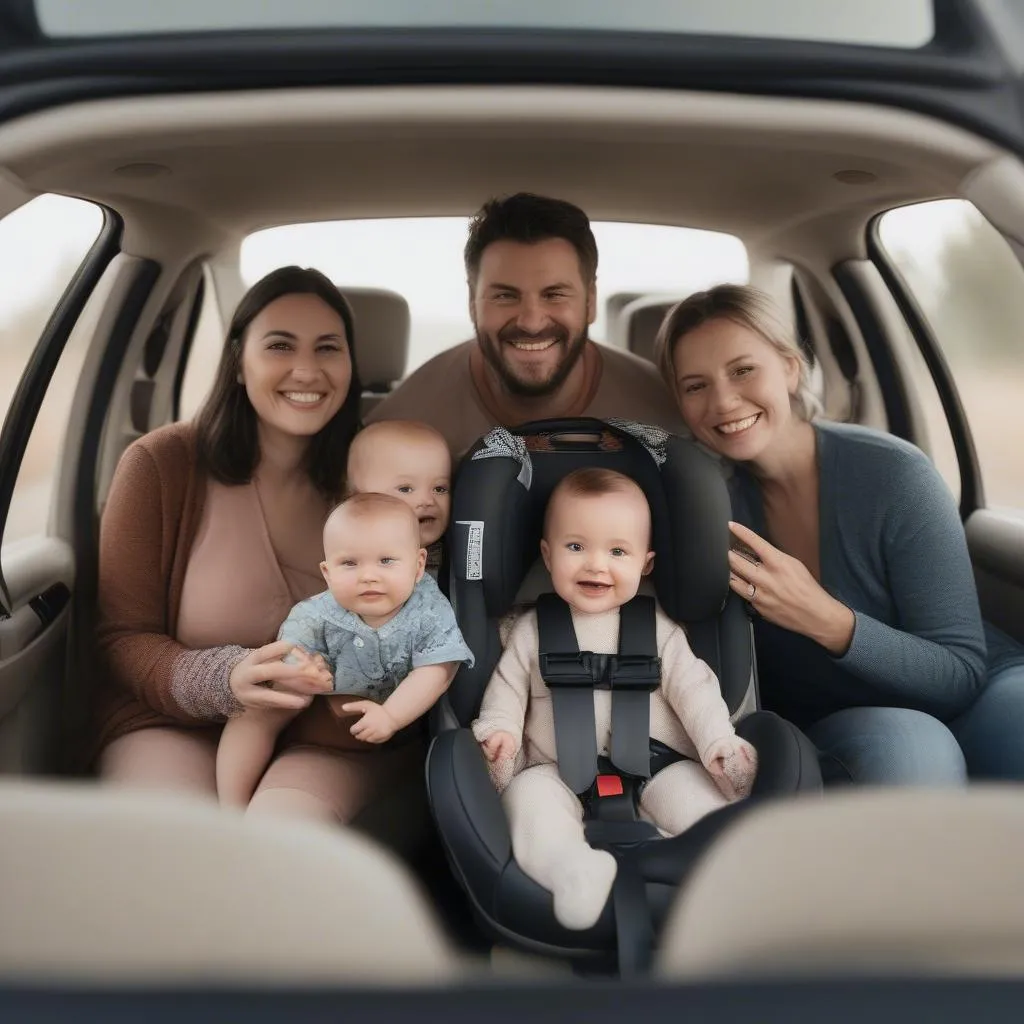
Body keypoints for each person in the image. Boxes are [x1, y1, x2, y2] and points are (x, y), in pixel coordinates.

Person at [92, 266, 430, 836]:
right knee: (174, 843)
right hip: (178, 723)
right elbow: (121, 638)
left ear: (350, 364)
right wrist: (223, 680)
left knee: (279, 847)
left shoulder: (382, 475)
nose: (307, 370)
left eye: (328, 348)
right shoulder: (161, 465)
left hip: (334, 739)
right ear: (237, 360)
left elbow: (429, 604)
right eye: (279, 345)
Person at [654, 283, 1024, 784]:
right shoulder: (700, 508)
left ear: (790, 367)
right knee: (912, 751)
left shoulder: (893, 474)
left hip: (976, 692)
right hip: (850, 723)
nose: (723, 401)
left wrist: (826, 618)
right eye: (695, 385)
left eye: (743, 370)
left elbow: (959, 674)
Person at [472, 468, 756, 930]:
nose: (596, 565)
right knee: (530, 806)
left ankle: (704, 866)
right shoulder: (529, 631)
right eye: (576, 547)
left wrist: (719, 745)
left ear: (645, 564)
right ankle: (573, 871)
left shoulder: (660, 631)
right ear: (547, 555)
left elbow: (695, 692)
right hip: (556, 769)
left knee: (706, 811)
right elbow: (504, 691)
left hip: (658, 764)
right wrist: (499, 735)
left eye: (617, 551)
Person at [366, 192, 685, 457]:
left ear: (590, 301)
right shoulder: (400, 427)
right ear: (471, 302)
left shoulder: (669, 417)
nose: (531, 322)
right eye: (505, 295)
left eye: (555, 294)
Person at [216, 493, 474, 807]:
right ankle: (231, 806)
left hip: (386, 723)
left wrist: (392, 716)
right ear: (328, 572)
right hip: (316, 705)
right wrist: (303, 669)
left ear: (418, 565)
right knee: (256, 710)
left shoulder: (429, 609)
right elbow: (290, 648)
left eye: (386, 561)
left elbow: (437, 671)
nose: (368, 575)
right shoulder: (318, 612)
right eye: (349, 563)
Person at [346, 419, 452, 577]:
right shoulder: (349, 555)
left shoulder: (460, 556)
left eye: (439, 489)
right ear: (357, 499)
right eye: (406, 489)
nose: (427, 501)